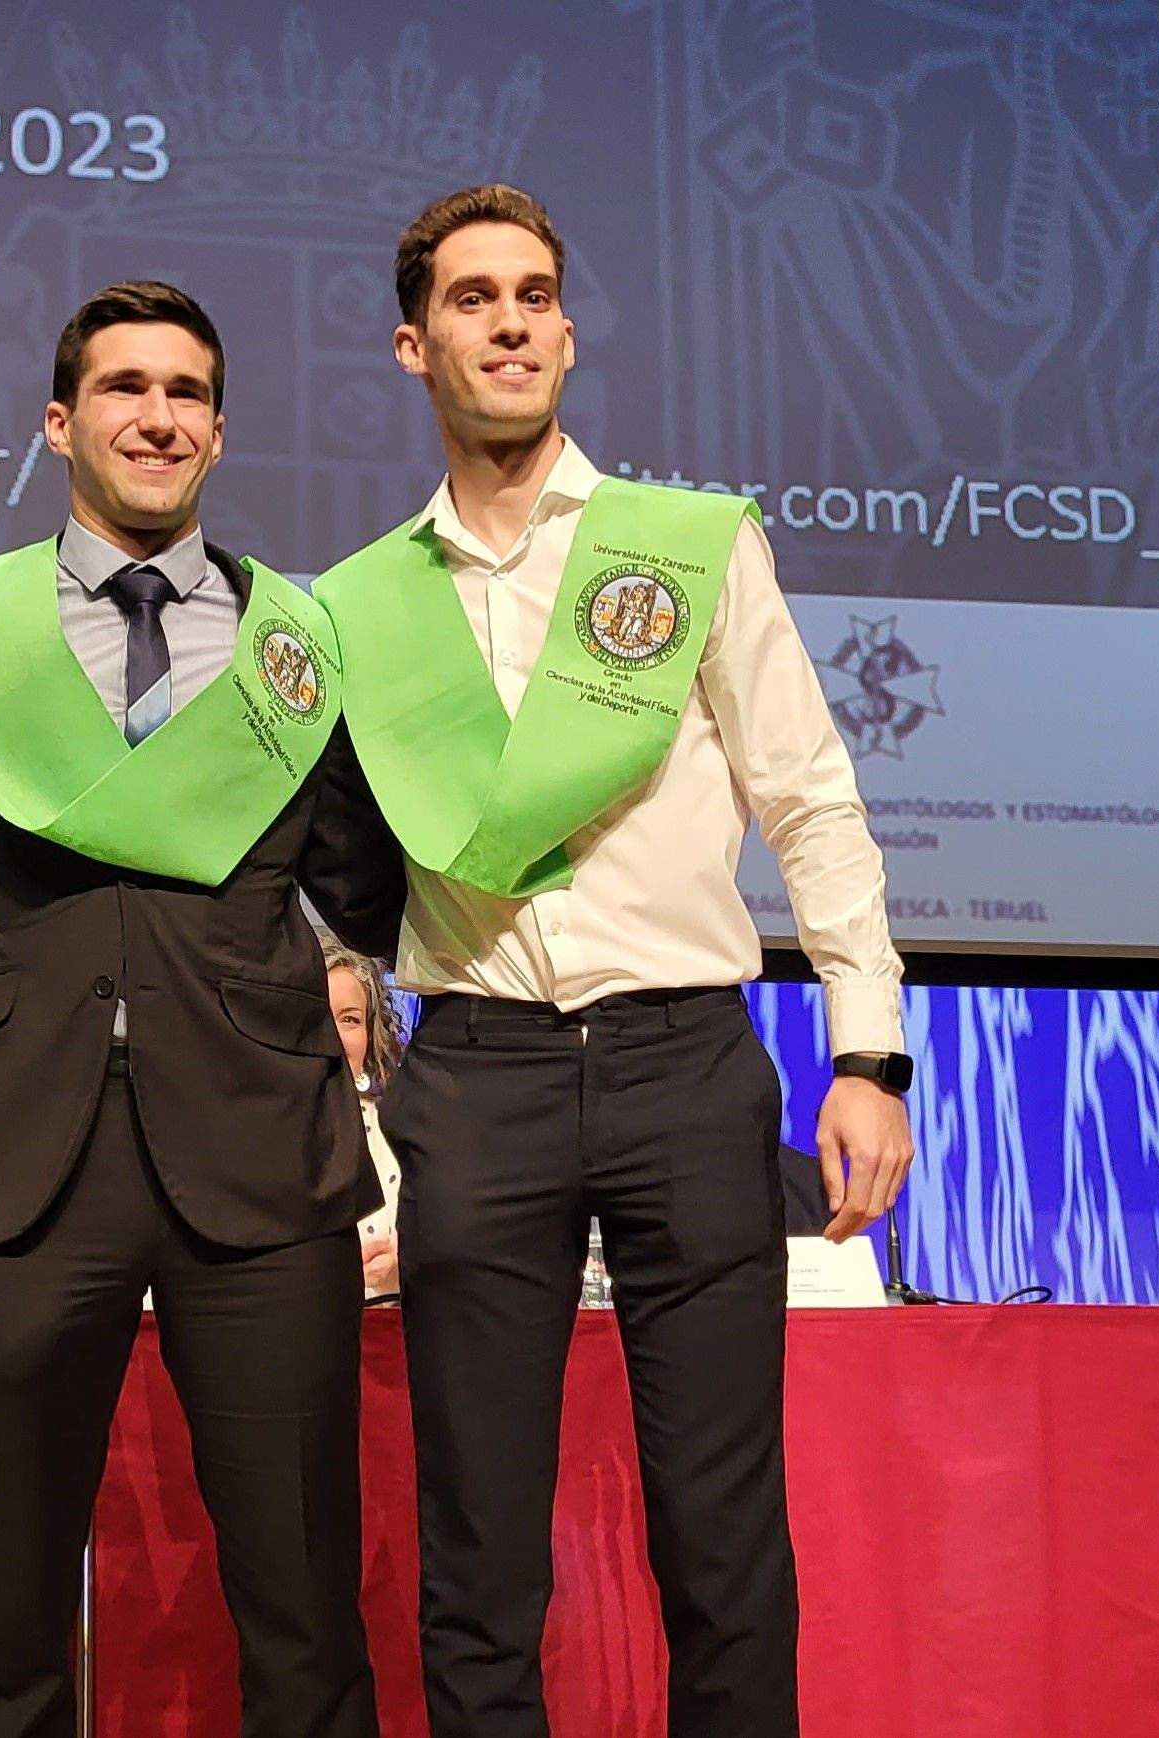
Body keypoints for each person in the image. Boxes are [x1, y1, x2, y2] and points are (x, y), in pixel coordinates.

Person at [313, 185, 918, 1736]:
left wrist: (865, 1054)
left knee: (720, 1536)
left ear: (566, 332)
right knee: (480, 1548)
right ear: (412, 343)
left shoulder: (687, 544)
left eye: (532, 294)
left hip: (682, 1062)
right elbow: (340, 869)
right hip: (482, 1081)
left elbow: (811, 800)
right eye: (469, 298)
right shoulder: (356, 605)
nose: (507, 321)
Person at [0, 281, 401, 1737]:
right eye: (124, 387)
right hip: (24, 1152)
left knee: (303, 1598)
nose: (157, 415)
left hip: (258, 1152)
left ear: (218, 432)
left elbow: (360, 884)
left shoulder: (295, 640)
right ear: (61, 423)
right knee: (1, 1603)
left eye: (185, 392)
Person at [323, 937, 407, 1300]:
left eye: (350, 1019)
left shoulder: (399, 1133)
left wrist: (408, 1262)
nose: (334, 1037)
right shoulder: (247, 1136)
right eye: (319, 1017)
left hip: (387, 1329)